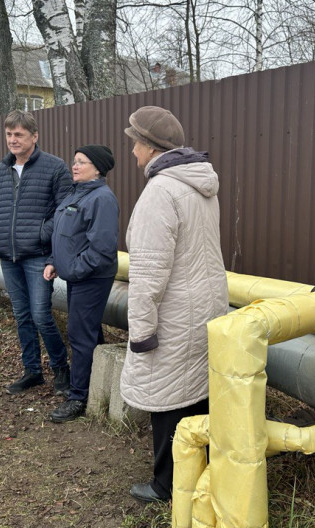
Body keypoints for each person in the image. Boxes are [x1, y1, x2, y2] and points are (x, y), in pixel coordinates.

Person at [119, 106, 228, 503]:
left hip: (174, 314)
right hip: (205, 308)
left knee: (167, 398)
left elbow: (148, 273)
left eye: (135, 143)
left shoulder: (160, 192)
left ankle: (166, 484)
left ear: (150, 147)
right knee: (197, 392)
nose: (133, 151)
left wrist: (142, 332)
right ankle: (203, 471)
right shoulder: (201, 186)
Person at [0, 110, 74, 395]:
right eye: (9, 134)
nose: (13, 140)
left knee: (40, 315)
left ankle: (61, 368)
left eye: (19, 134)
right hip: (9, 256)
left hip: (38, 255)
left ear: (34, 136)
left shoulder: (55, 167)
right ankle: (32, 371)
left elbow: (64, 211)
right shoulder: (2, 169)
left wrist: (43, 238)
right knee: (21, 315)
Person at [44, 145, 119, 423]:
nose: (74, 166)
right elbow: (65, 235)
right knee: (88, 333)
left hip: (91, 277)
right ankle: (98, 387)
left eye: (81, 162)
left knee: (79, 334)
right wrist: (54, 261)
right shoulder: (76, 193)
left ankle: (78, 397)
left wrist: (74, 269)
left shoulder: (102, 198)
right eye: (74, 161)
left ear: (97, 169)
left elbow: (103, 249)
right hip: (78, 275)